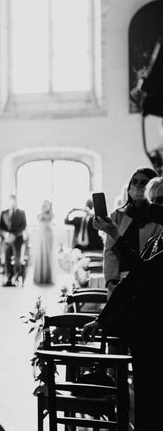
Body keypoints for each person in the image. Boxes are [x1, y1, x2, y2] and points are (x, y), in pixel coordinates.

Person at [82, 176, 163, 430]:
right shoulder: (156, 239)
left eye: (159, 201)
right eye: (152, 201)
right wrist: (101, 318)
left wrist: (114, 234)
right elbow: (130, 284)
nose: (153, 207)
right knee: (145, 399)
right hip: (145, 332)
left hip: (159, 331)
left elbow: (144, 273)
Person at [103, 167, 161, 295]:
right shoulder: (118, 215)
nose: (137, 186)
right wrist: (111, 280)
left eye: (143, 182)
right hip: (119, 280)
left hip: (145, 280)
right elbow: (110, 250)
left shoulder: (157, 217)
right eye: (134, 181)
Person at [0, 194, 27, 286]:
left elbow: (23, 226)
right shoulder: (4, 213)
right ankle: (9, 278)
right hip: (7, 240)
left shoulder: (21, 213)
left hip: (17, 239)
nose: (12, 203)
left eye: (13, 201)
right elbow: (1, 227)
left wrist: (14, 235)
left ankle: (17, 277)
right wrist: (6, 235)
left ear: (16, 202)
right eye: (10, 201)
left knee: (17, 259)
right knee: (7, 258)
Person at [33, 200, 54, 285]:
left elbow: (50, 218)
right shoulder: (40, 214)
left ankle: (47, 277)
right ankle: (40, 277)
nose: (46, 207)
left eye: (47, 205)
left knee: (48, 256)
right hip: (41, 236)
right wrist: (42, 211)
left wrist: (49, 209)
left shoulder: (50, 214)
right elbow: (39, 217)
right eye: (44, 205)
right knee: (40, 255)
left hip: (48, 236)